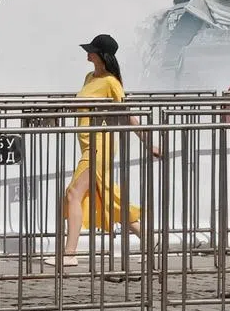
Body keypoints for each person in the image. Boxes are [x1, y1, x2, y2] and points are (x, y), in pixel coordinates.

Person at [53, 34, 160, 267]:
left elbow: (125, 114)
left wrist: (147, 142)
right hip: (87, 144)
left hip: (100, 146)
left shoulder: (111, 82)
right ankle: (148, 237)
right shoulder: (89, 77)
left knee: (73, 194)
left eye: (92, 50)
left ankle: (70, 254)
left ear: (102, 55)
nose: (88, 53)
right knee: (107, 198)